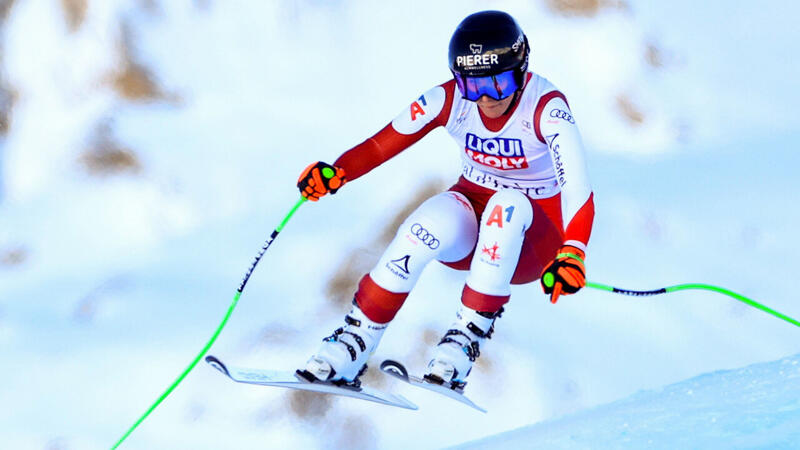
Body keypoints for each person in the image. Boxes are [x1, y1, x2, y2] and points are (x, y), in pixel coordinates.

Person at [296, 10, 595, 390]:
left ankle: (463, 341)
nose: (486, 99)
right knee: (426, 222)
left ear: (522, 70)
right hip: (473, 226)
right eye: (474, 86)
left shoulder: (546, 108)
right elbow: (380, 144)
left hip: (535, 242)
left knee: (507, 204)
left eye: (499, 84)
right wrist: (337, 172)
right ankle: (356, 340)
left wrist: (573, 250)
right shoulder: (449, 99)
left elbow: (578, 190)